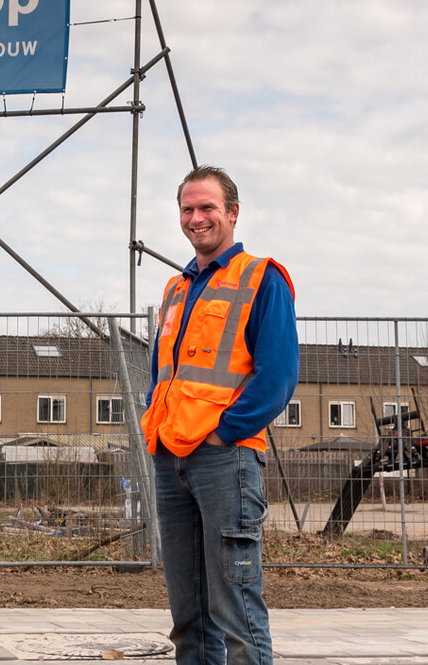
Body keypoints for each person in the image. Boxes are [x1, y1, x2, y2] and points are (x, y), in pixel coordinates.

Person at [142, 166, 298, 665]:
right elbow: (162, 377)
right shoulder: (175, 289)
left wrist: (223, 433)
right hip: (171, 460)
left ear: (232, 213)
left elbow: (277, 378)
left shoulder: (262, 278)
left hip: (224, 460)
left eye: (207, 207)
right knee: (188, 616)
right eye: (187, 209)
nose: (196, 217)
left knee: (236, 611)